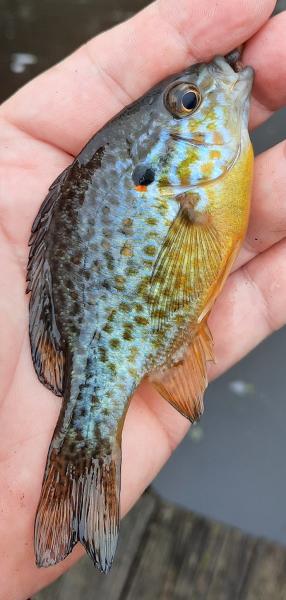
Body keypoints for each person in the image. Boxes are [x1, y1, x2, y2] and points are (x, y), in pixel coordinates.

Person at [0, 0, 285, 597]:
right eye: (188, 103)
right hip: (124, 328)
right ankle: (82, 463)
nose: (205, 92)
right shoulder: (190, 191)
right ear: (159, 164)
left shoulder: (194, 181)